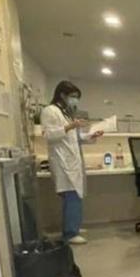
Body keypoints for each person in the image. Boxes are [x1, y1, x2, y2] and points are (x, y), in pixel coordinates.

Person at [41, 81, 103, 245]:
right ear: (62, 95)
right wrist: (70, 127)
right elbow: (48, 136)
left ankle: (73, 227)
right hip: (63, 163)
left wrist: (91, 136)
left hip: (72, 162)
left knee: (75, 197)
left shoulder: (66, 114)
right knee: (72, 197)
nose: (75, 100)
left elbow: (75, 139)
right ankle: (70, 233)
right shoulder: (50, 111)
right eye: (73, 97)